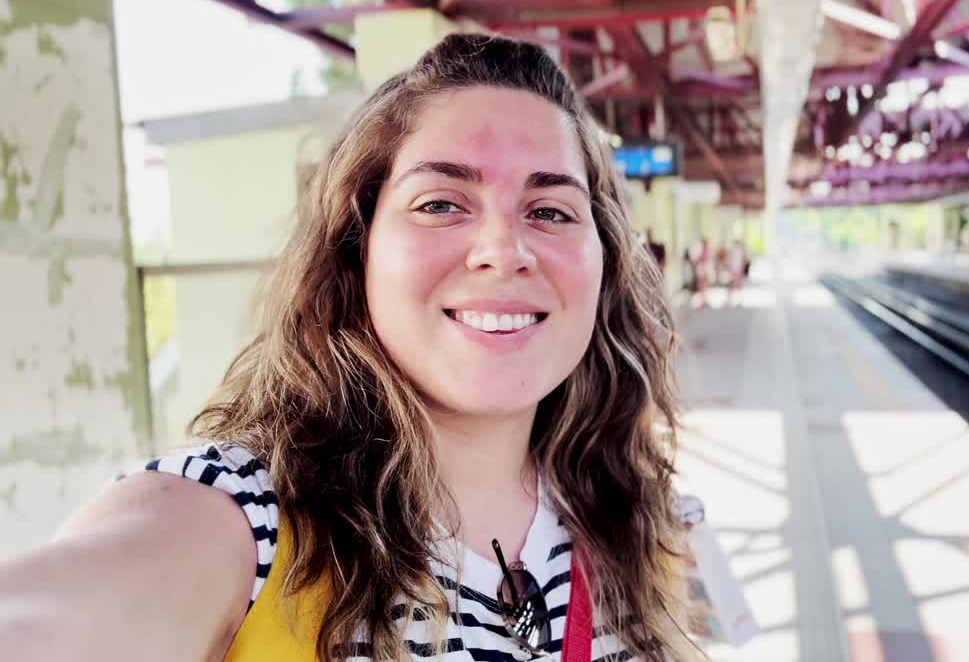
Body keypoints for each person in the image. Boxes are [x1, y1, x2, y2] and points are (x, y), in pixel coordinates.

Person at [0, 34, 702, 662]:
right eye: (440, 203)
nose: (504, 251)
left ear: (604, 259)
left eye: (551, 211)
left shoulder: (637, 518)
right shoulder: (243, 522)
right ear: (355, 249)